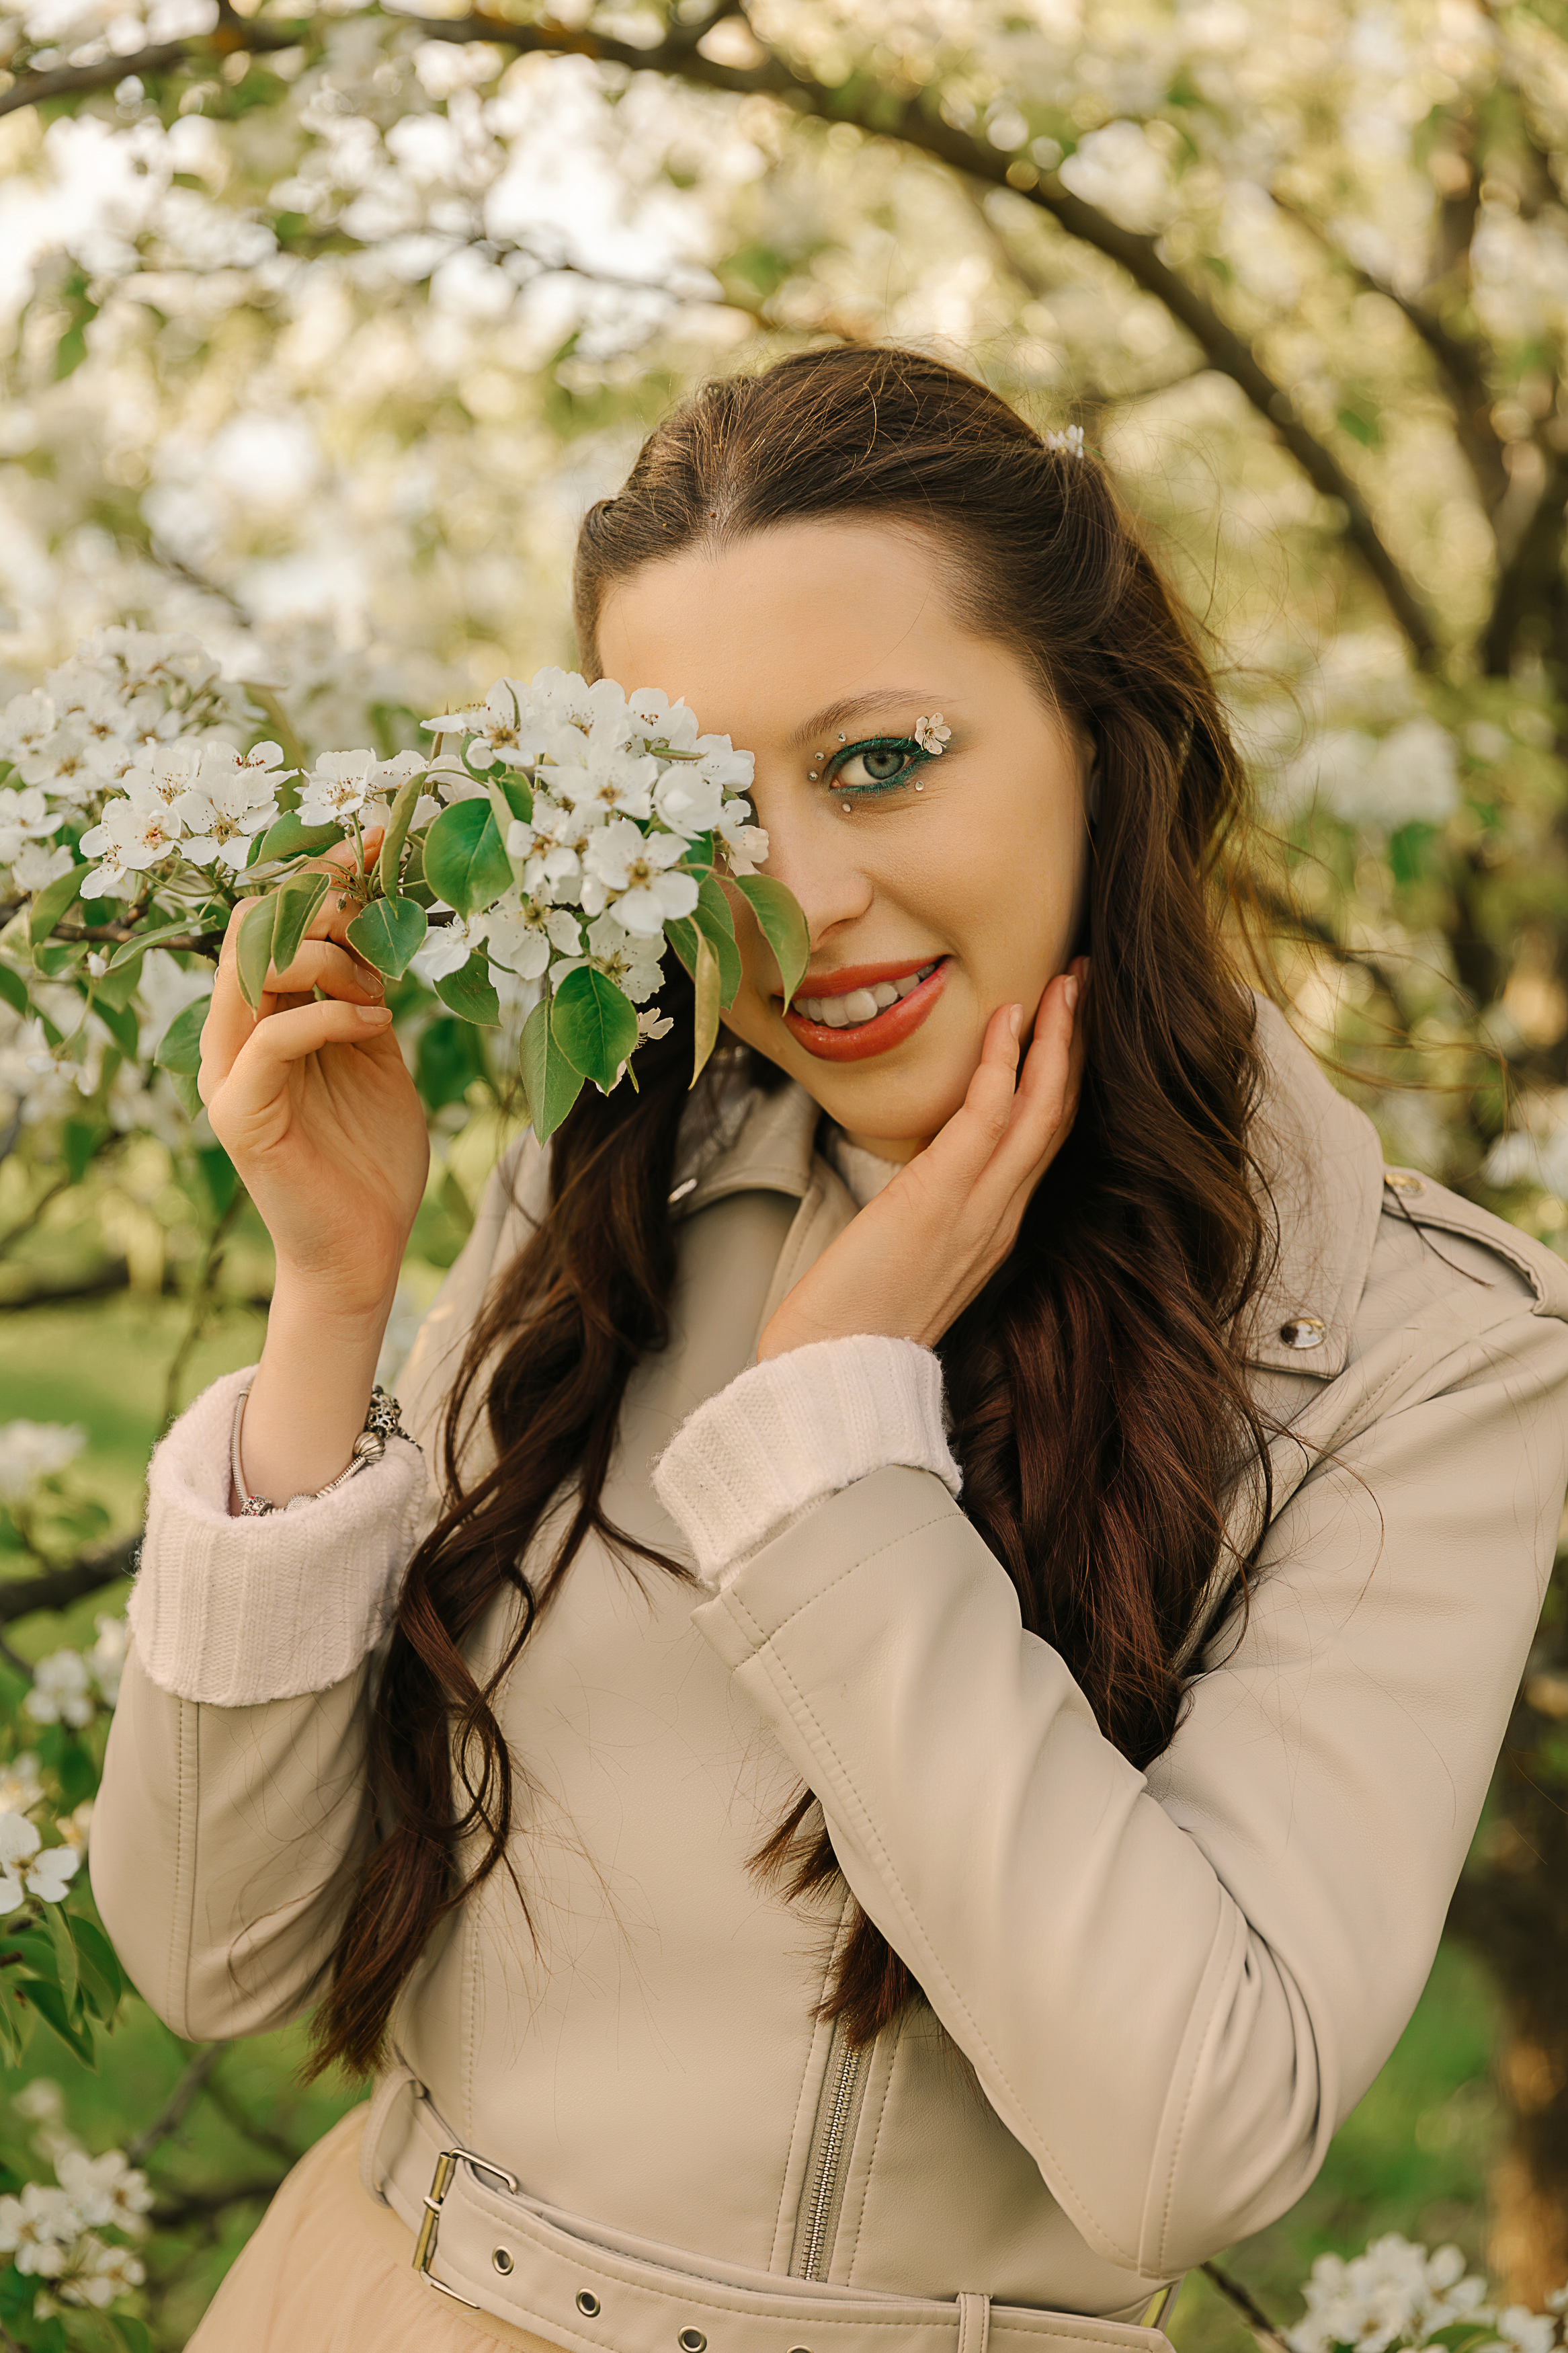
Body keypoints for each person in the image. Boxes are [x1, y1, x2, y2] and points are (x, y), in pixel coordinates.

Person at [91, 348, 1568, 2353]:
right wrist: (330, 1298)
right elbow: (208, 1950)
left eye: (880, 759)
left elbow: (1186, 2144)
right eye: (711, 801)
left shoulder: (1423, 1356)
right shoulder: (616, 1192)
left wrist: (832, 1451)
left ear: (1099, 731)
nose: (799, 901)